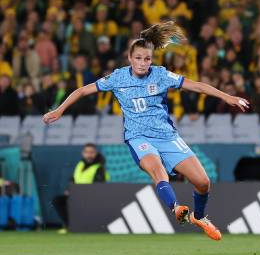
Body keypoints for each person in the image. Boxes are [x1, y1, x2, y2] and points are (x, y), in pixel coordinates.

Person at [43, 21, 249, 241]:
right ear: (130, 58)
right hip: (138, 137)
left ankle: (199, 217)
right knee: (158, 170)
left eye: (147, 59)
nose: (142, 63)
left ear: (152, 60)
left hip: (167, 136)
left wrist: (228, 97)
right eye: (138, 58)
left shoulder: (160, 75)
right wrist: (60, 109)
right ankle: (176, 208)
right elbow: (83, 90)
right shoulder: (118, 77)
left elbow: (196, 85)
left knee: (203, 182)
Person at [52, 143, 110, 232]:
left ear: (96, 153)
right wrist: (69, 190)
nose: (89, 155)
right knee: (58, 200)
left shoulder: (99, 168)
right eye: (87, 152)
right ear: (83, 153)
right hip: (77, 195)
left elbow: (98, 187)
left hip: (92, 197)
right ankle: (69, 226)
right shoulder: (80, 164)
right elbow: (73, 179)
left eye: (91, 152)